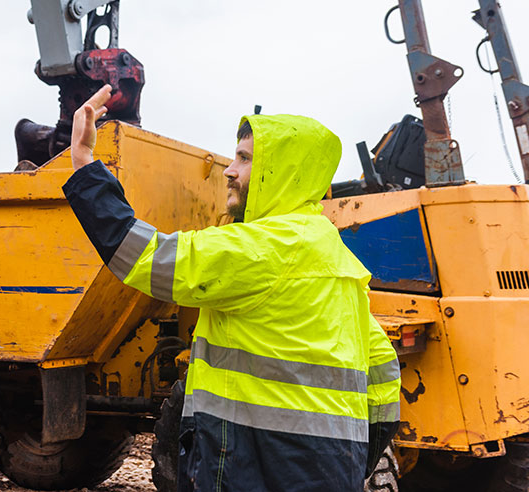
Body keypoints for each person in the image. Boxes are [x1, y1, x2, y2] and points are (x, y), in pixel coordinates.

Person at [62, 84, 401, 491]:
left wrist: (83, 164)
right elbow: (383, 372)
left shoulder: (265, 247)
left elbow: (144, 257)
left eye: (244, 159)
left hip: (258, 462)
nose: (228, 169)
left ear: (281, 175)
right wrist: (347, 460)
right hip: (325, 467)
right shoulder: (332, 254)